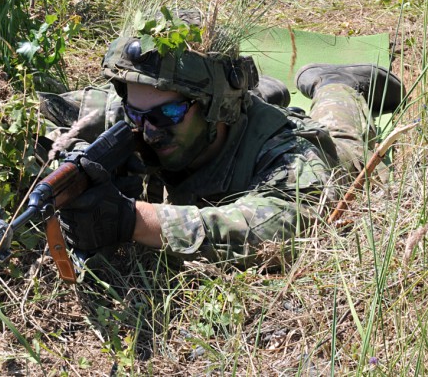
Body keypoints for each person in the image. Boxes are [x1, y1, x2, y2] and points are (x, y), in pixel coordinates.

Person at [43, 24, 405, 267]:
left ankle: (334, 81)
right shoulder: (141, 108)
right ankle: (264, 91)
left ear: (218, 106)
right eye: (135, 114)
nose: (149, 131)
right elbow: (35, 115)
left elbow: (288, 225)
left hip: (324, 151)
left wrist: (131, 218)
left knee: (342, 141)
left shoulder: (290, 150)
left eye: (167, 114)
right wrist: (60, 158)